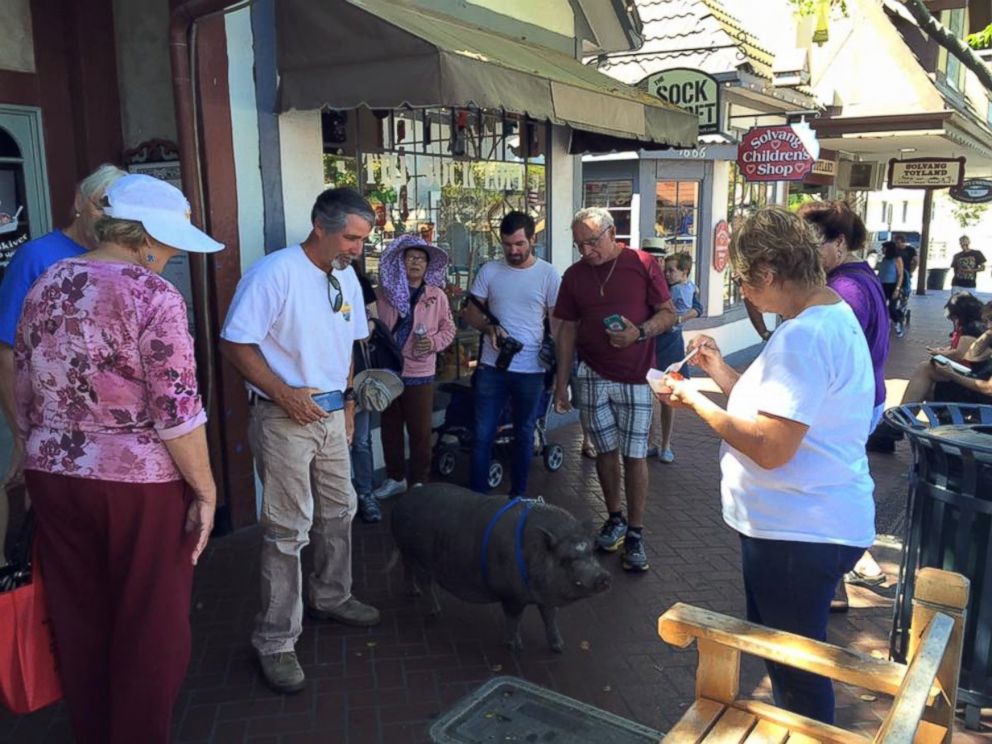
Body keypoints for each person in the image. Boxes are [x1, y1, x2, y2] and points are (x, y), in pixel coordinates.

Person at [14, 174, 220, 743]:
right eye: (172, 242)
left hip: (53, 471)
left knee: (79, 614)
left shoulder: (48, 282)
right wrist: (205, 490)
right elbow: (177, 410)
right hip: (137, 483)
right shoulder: (153, 295)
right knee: (152, 624)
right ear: (147, 236)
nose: (174, 254)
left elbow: (24, 383)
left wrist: (27, 449)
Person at [658, 207, 875, 724]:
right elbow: (779, 411)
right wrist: (717, 370)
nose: (743, 294)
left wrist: (694, 403)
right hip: (804, 525)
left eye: (742, 282)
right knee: (786, 655)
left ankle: (807, 735)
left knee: (794, 667)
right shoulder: (825, 316)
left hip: (799, 531)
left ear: (769, 274)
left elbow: (772, 446)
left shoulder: (803, 335)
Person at [220, 187, 379, 696]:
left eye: (361, 239)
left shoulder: (345, 275)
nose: (357, 248)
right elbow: (234, 341)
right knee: (287, 530)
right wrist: (284, 394)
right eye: (351, 238)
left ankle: (331, 595)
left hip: (332, 415)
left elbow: (348, 345)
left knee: (340, 509)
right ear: (319, 225)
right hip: (283, 418)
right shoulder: (275, 273)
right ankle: (274, 640)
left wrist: (350, 404)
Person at [0, 163, 126, 565]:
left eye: (118, 210)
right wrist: (19, 431)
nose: (108, 216)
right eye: (102, 205)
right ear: (78, 202)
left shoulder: (122, 258)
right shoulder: (37, 256)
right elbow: (6, 349)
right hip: (46, 417)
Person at [553, 207, 676, 572]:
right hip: (591, 374)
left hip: (636, 376)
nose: (586, 252)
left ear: (612, 233)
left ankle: (636, 532)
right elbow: (567, 331)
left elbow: (668, 312)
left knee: (635, 455)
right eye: (579, 245)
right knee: (605, 452)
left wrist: (639, 332)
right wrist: (562, 384)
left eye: (592, 242)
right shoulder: (574, 276)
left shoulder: (640, 263)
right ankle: (615, 517)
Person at [798, 200, 890, 595]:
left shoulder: (845, 289)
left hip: (851, 402)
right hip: (865, 398)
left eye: (812, 246)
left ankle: (840, 573)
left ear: (838, 243)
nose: (807, 256)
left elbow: (828, 354)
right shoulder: (857, 277)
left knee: (827, 481)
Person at [462, 211, 561, 498]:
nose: (513, 251)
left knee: (524, 435)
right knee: (482, 436)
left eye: (519, 244)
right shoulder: (490, 270)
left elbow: (558, 325)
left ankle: (518, 497)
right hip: (492, 367)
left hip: (531, 370)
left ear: (533, 239)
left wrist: (559, 372)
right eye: (507, 245)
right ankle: (477, 500)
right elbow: (470, 312)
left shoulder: (548, 274)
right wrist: (489, 327)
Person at [371, 235, 456, 498]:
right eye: (410, 257)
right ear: (400, 262)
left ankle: (419, 481)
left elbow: (449, 328)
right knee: (390, 429)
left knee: (420, 430)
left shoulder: (436, 295)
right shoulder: (383, 294)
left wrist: (432, 343)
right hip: (388, 373)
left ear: (428, 265)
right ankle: (395, 478)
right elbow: (370, 325)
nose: (415, 262)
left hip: (420, 373)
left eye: (421, 258)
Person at [648, 252, 703, 463]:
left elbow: (698, 307)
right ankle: (651, 441)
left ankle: (666, 444)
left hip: (670, 346)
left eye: (671, 270)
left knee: (667, 397)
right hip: (651, 344)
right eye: (665, 269)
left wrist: (679, 317)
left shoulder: (685, 287)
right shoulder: (652, 281)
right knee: (649, 397)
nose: (667, 273)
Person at [351, 264, 381, 523]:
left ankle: (365, 493)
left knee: (360, 441)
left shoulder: (359, 283)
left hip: (358, 373)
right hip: (323, 381)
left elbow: (374, 320)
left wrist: (368, 324)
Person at [876, 241, 905, 336]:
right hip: (882, 285)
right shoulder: (884, 259)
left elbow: (900, 275)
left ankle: (898, 322)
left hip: (893, 285)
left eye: (883, 248)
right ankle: (884, 326)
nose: (882, 250)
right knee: (880, 306)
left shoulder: (897, 259)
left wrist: (897, 288)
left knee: (891, 308)